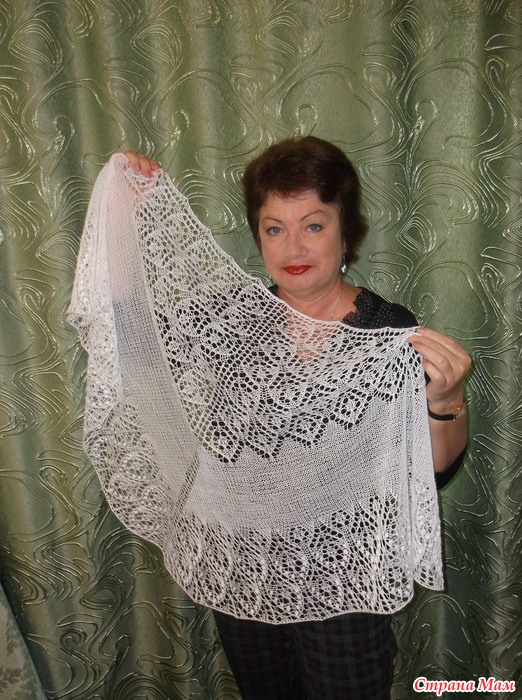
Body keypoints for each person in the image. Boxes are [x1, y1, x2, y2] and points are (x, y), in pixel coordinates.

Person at [121, 137, 471, 699]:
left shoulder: (385, 330)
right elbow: (132, 332)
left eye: (313, 225)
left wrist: (447, 398)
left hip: (345, 577)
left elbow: (432, 469)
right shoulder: (233, 322)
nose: (293, 247)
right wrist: (132, 215)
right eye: (274, 228)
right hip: (247, 567)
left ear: (344, 232)